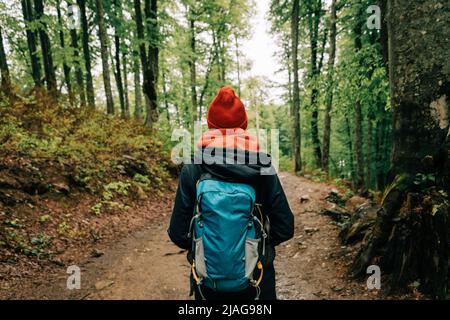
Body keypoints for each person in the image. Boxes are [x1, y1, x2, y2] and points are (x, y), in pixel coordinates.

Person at [168, 86, 294, 300]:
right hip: (258, 280)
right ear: (243, 125)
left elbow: (178, 233)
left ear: (210, 125)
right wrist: (256, 245)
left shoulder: (194, 167)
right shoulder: (262, 165)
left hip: (208, 284)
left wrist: (211, 247)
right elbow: (285, 227)